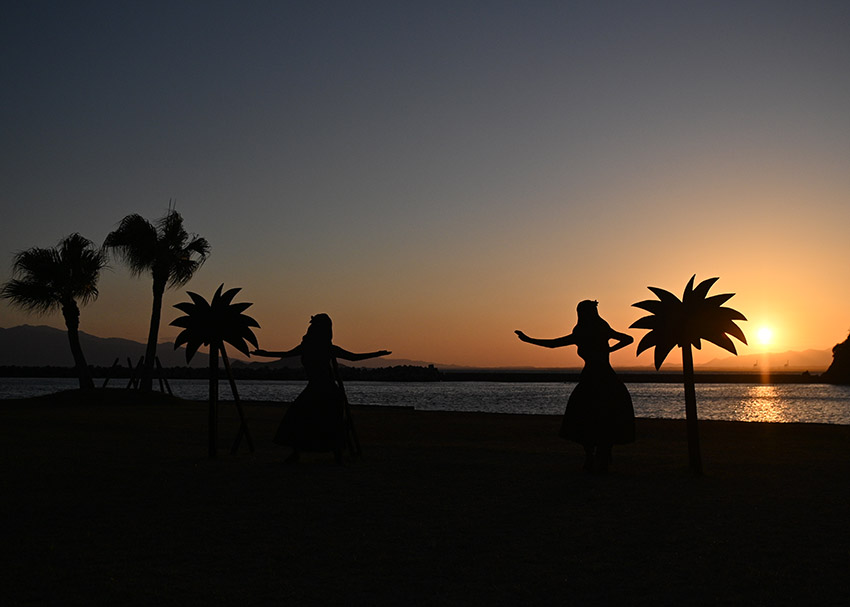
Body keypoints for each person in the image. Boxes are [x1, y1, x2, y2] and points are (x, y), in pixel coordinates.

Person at [515, 300, 635, 473]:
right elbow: (628, 339)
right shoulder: (601, 329)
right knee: (600, 415)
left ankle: (593, 457)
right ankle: (598, 456)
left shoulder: (583, 332)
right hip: (606, 377)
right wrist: (609, 350)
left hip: (593, 377)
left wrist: (528, 339)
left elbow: (554, 344)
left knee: (586, 415)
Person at [253, 313, 390, 463]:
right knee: (299, 417)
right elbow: (286, 354)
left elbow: (353, 357)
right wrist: (265, 354)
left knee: (327, 421)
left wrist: (377, 354)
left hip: (328, 390)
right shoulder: (310, 347)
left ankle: (333, 454)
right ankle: (299, 453)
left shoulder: (324, 347)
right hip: (316, 388)